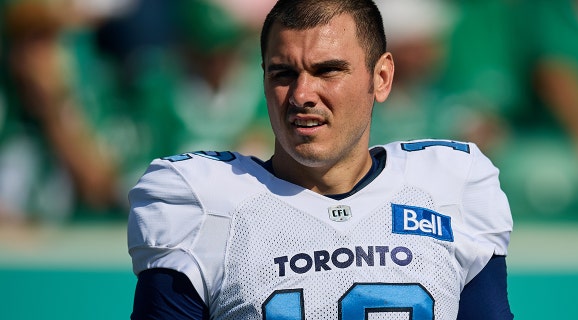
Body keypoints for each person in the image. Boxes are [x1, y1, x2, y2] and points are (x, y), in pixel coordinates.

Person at [127, 0, 514, 319]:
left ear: (380, 78)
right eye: (283, 73)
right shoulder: (202, 199)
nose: (302, 94)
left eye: (327, 71)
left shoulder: (450, 185)